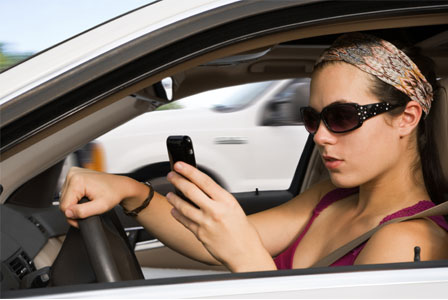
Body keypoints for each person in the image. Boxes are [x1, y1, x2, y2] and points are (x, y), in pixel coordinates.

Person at [60, 32, 448, 272]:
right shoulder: (329, 198)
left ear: (407, 118)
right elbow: (208, 243)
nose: (321, 137)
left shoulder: (408, 242)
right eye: (313, 118)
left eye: (342, 117)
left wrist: (247, 258)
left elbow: (239, 247)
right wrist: (131, 191)